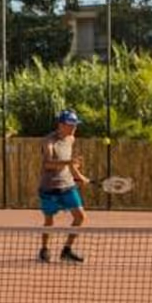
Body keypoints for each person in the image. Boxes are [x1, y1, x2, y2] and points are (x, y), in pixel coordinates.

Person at [37, 108, 90, 263]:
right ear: (61, 125)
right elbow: (47, 164)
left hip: (68, 185)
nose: (74, 127)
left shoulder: (71, 139)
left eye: (75, 124)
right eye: (71, 124)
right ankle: (44, 248)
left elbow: (70, 163)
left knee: (80, 217)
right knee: (49, 221)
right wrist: (68, 163)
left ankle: (67, 250)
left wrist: (79, 177)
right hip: (49, 188)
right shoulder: (49, 141)